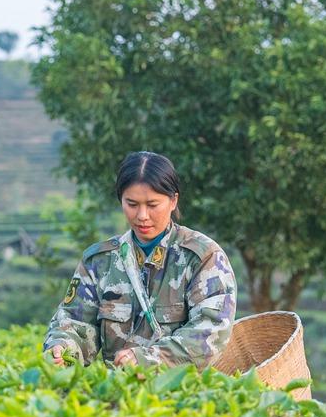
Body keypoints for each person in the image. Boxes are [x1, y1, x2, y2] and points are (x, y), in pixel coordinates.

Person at [43, 151, 236, 369]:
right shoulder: (100, 261)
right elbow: (75, 322)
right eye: (132, 204)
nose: (142, 215)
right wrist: (63, 347)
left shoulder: (201, 257)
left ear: (173, 201)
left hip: (183, 393)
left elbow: (211, 331)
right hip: (120, 395)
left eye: (152, 205)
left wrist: (148, 359)